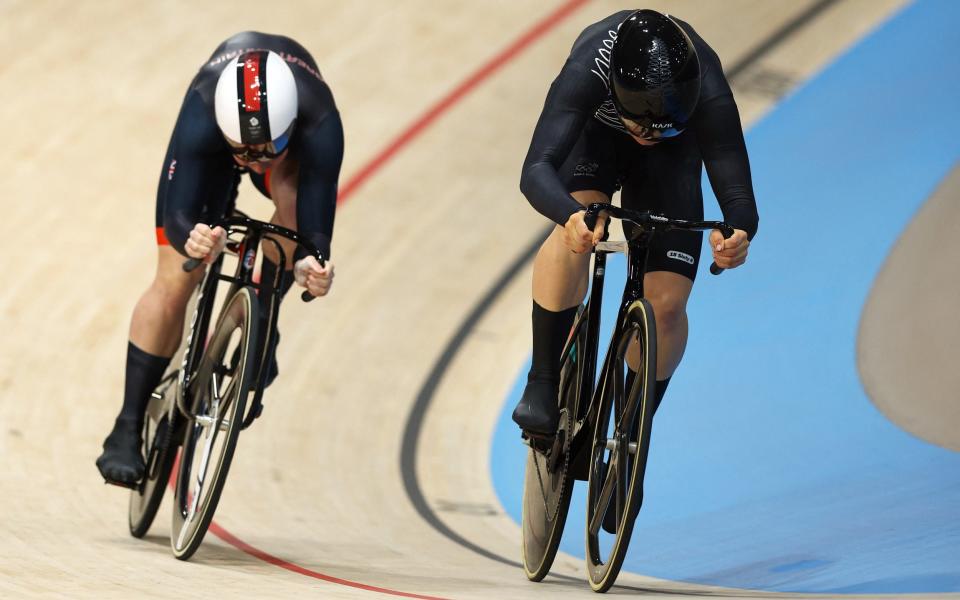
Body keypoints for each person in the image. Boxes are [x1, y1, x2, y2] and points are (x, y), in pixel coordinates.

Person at [96, 32, 344, 486]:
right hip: (209, 149)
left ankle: (263, 314)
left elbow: (316, 220)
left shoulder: (320, 121)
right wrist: (190, 238)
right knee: (174, 280)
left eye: (263, 149)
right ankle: (127, 425)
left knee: (289, 201)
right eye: (243, 151)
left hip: (288, 154)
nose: (252, 161)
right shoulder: (205, 107)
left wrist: (312, 261)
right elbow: (178, 211)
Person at [512, 10, 758, 434]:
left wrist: (737, 231)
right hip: (597, 143)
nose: (648, 132)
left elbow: (733, 181)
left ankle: (632, 432)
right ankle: (543, 378)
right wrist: (570, 216)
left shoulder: (707, 80)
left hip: (670, 162)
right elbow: (536, 169)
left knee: (666, 306)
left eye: (661, 126)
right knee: (579, 226)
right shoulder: (588, 67)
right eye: (640, 123)